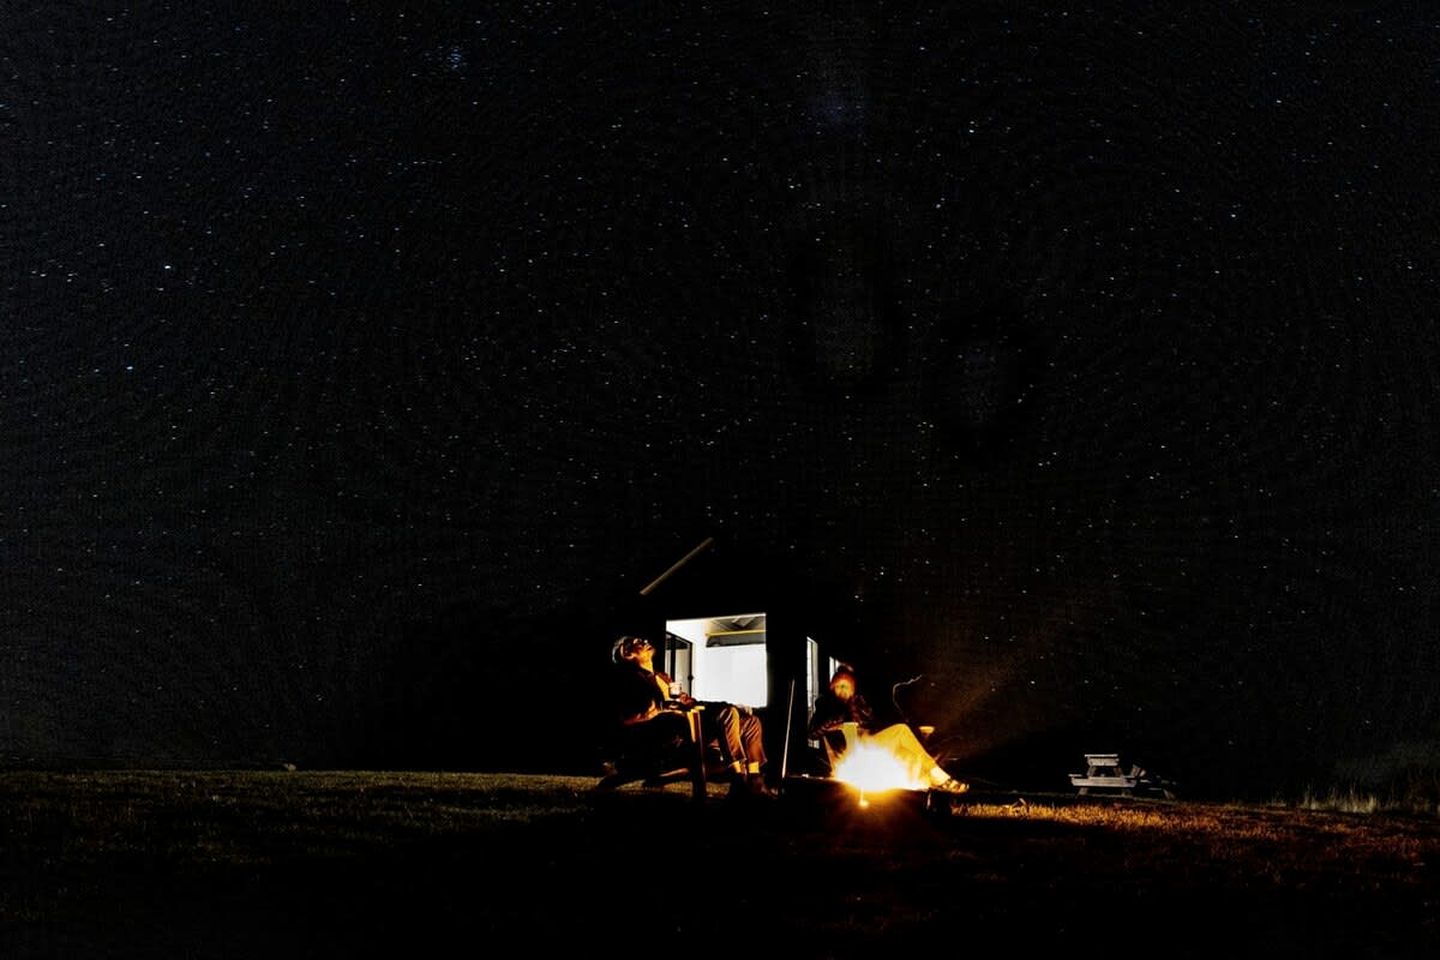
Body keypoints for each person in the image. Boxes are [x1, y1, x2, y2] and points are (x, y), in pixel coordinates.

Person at [609, 635, 775, 800]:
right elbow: (626, 717)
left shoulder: (662, 677)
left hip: (691, 725)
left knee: (750, 722)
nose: (645, 641)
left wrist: (731, 705)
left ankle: (754, 781)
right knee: (727, 714)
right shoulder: (631, 681)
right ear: (627, 653)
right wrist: (659, 708)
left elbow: (690, 702)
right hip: (672, 736)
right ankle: (738, 780)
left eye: (642, 639)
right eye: (638, 642)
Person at [808, 663, 968, 793]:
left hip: (866, 749)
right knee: (901, 731)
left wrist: (860, 718)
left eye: (846, 686)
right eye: (839, 686)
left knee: (909, 751)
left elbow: (872, 724)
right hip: (847, 758)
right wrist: (837, 723)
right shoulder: (826, 705)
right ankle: (940, 779)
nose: (842, 690)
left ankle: (929, 784)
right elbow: (812, 733)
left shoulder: (858, 703)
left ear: (853, 687)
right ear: (832, 687)